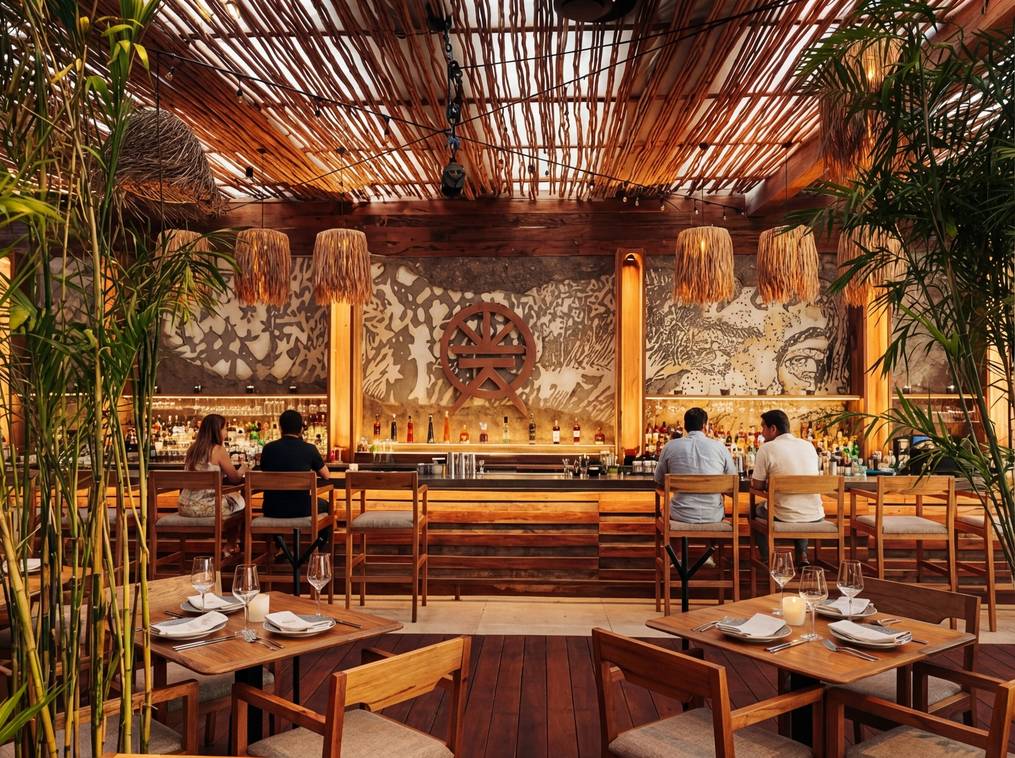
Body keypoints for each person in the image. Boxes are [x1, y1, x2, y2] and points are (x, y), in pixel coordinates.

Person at [750, 409, 825, 563]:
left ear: (773, 429)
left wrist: (768, 484)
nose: (761, 433)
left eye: (763, 427)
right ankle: (802, 554)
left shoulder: (766, 448)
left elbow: (757, 485)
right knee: (797, 505)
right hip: (815, 515)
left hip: (783, 515)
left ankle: (768, 559)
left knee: (754, 510)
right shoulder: (808, 446)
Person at [654, 407, 736, 523]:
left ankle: (672, 534)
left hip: (679, 516)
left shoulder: (670, 446)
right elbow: (732, 482)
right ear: (704, 426)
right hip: (713, 516)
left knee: (665, 509)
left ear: (685, 426)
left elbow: (659, 481)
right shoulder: (720, 447)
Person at [259, 409, 331, 518]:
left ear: (280, 428)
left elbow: (264, 471)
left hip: (272, 509)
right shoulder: (310, 449)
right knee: (327, 505)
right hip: (302, 508)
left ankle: (277, 530)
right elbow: (326, 475)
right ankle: (319, 531)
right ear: (301, 429)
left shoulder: (268, 449)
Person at [178, 413, 246, 518]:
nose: (226, 432)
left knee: (232, 498)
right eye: (225, 429)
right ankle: (235, 528)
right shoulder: (219, 450)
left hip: (184, 507)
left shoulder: (192, 449)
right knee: (239, 499)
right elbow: (235, 479)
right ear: (217, 431)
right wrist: (243, 468)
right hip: (206, 507)